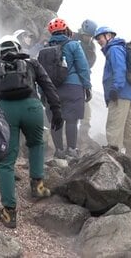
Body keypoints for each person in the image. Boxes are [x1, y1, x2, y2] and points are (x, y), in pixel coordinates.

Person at [0, 35, 62, 229]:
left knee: (6, 161)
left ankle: (9, 212)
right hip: (32, 109)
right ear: (18, 47)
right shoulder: (31, 63)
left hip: (6, 111)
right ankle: (38, 186)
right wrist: (56, 110)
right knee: (36, 144)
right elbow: (48, 86)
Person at [45, 18, 92, 159]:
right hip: (73, 87)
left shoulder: (45, 49)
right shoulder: (74, 45)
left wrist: (42, 93)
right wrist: (87, 86)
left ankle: (59, 150)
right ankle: (71, 149)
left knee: (55, 120)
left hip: (52, 89)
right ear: (66, 30)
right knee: (71, 120)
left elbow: (41, 73)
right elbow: (83, 67)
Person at [94, 26, 131, 158]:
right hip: (128, 94)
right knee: (128, 131)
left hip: (120, 94)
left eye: (100, 38)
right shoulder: (119, 48)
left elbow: (119, 69)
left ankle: (112, 157)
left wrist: (115, 88)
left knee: (113, 125)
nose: (99, 41)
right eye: (97, 39)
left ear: (109, 36)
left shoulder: (114, 49)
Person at [73, 19, 98, 142]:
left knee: (86, 112)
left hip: (83, 81)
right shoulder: (72, 39)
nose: (88, 38)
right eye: (87, 35)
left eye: (90, 36)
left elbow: (90, 63)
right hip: (73, 81)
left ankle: (83, 136)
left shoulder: (90, 47)